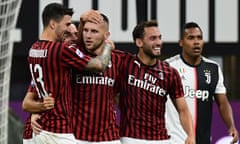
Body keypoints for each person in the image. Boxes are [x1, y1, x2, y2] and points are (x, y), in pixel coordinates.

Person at [27, 3, 113, 144]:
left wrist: (36, 111)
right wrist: (108, 46)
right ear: (53, 24)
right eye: (66, 25)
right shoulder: (60, 51)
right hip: (58, 132)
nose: (68, 28)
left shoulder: (34, 49)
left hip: (41, 131)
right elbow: (99, 65)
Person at [117, 20, 195, 144]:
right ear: (139, 42)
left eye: (159, 38)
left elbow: (183, 110)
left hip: (160, 139)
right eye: (153, 38)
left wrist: (190, 135)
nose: (158, 42)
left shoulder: (170, 73)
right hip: (130, 138)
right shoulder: (125, 63)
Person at [165, 22, 239, 144]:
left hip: (203, 140)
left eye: (199, 38)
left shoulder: (213, 68)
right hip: (174, 139)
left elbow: (222, 102)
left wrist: (231, 125)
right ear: (181, 42)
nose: (196, 42)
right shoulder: (169, 67)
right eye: (191, 38)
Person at [22, 23, 78, 144]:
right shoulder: (49, 69)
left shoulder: (81, 65)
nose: (73, 39)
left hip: (69, 132)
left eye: (76, 34)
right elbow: (27, 103)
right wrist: (37, 110)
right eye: (67, 35)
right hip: (43, 131)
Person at [72, 13, 122, 144]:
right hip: (76, 138)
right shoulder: (74, 55)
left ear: (106, 35)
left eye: (94, 31)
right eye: (86, 30)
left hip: (109, 139)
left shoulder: (118, 60)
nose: (88, 36)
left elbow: (118, 96)